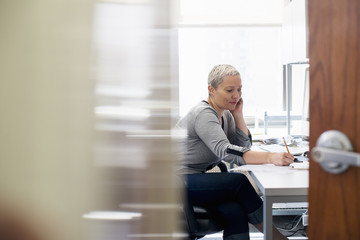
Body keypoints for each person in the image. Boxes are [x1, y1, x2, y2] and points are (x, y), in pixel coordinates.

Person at [176, 64, 294, 240]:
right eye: (230, 90)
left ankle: (274, 236)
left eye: (239, 89)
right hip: (176, 181)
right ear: (212, 90)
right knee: (238, 182)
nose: (236, 95)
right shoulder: (204, 114)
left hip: (193, 179)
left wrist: (238, 115)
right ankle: (275, 237)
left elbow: (241, 146)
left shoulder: (225, 114)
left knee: (235, 210)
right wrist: (270, 157)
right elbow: (226, 150)